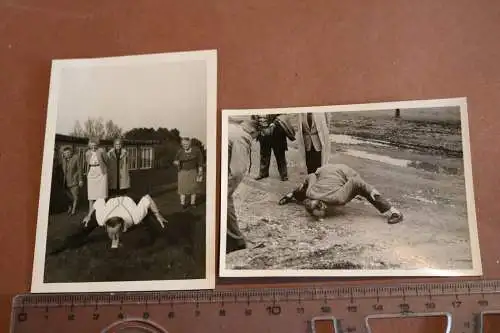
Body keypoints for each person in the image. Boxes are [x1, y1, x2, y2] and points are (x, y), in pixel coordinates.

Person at [278, 163, 404, 224]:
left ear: (324, 206)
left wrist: (371, 192)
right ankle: (290, 195)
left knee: (366, 190)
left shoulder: (338, 198)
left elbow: (356, 182)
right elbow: (311, 176)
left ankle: (395, 212)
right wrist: (297, 190)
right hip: (324, 169)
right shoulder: (311, 193)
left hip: (346, 171)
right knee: (303, 188)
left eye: (320, 215)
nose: (321, 218)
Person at [50, 193, 168, 253]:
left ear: (124, 228)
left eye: (116, 234)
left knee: (154, 223)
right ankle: (64, 245)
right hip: (112, 202)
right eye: (111, 235)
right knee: (84, 226)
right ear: (105, 228)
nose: (114, 238)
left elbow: (147, 197)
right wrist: (88, 215)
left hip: (129, 200)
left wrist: (158, 215)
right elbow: (99, 200)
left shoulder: (135, 216)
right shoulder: (101, 218)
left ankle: (155, 235)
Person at [226, 117, 259, 253]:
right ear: (253, 131)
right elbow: (238, 171)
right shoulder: (243, 137)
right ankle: (237, 242)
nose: (255, 139)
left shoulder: (232, 128)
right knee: (226, 203)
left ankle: (235, 240)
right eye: (257, 136)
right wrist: (228, 188)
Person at [251, 114, 289, 181]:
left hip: (276, 133)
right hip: (263, 133)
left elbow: (282, 115)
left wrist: (274, 123)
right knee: (264, 154)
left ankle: (284, 175)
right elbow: (253, 118)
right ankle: (263, 173)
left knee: (280, 155)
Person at [173, 137, 204, 209]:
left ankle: (192, 203)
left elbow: (200, 161)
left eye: (186, 144)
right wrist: (176, 163)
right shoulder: (180, 151)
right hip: (182, 172)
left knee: (193, 188)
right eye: (183, 144)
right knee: (182, 189)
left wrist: (200, 170)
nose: (185, 145)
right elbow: (175, 160)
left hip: (193, 171)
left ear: (190, 143)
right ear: (181, 144)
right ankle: (182, 204)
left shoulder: (196, 151)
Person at [85, 137, 109, 215]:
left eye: (95, 145)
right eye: (92, 145)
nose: (93, 147)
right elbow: (87, 162)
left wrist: (104, 169)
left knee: (102, 193)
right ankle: (90, 212)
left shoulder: (101, 151)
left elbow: (107, 160)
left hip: (101, 172)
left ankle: (103, 211)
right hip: (92, 172)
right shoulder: (87, 153)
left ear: (97, 145)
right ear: (89, 145)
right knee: (91, 194)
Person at [61, 146, 84, 215]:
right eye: (65, 153)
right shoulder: (64, 160)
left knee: (75, 196)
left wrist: (80, 180)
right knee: (68, 196)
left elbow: (80, 169)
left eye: (68, 152)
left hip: (74, 180)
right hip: (66, 182)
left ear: (71, 152)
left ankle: (73, 210)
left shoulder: (76, 158)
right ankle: (70, 207)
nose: (67, 154)